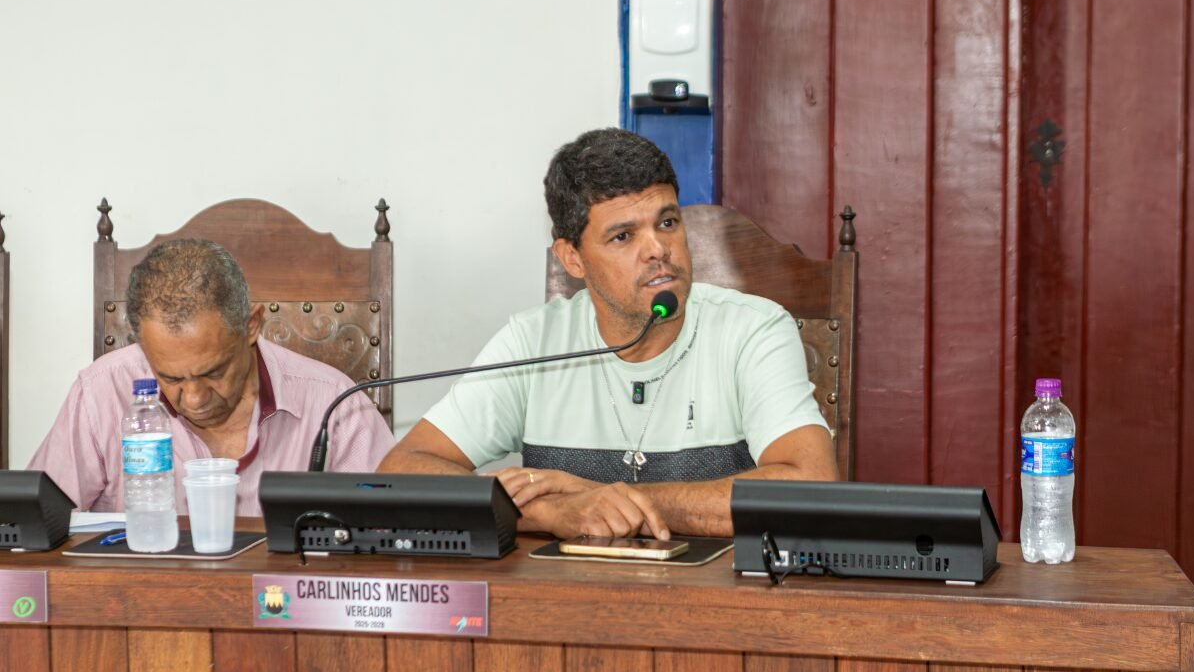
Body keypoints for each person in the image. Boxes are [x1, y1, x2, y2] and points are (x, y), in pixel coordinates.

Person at [380, 128, 837, 538]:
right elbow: (400, 472)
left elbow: (809, 487)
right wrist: (552, 512)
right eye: (623, 236)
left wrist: (603, 497)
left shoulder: (753, 330)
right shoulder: (534, 342)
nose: (658, 249)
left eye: (667, 222)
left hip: (715, 596)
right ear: (572, 259)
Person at [28, 239, 394, 516]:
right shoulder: (101, 392)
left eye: (214, 372)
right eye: (171, 378)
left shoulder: (335, 404)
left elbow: (389, 538)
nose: (194, 399)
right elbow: (33, 529)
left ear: (251, 326)